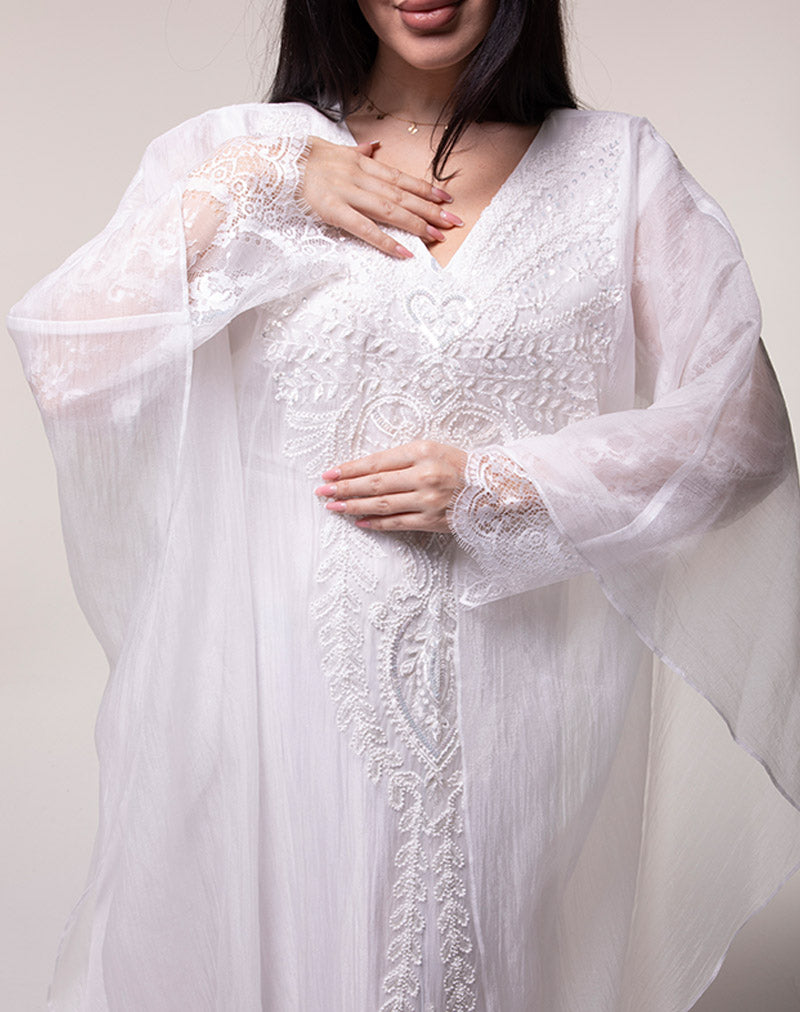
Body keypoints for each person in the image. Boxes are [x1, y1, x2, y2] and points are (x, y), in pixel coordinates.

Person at [7, 0, 800, 1009]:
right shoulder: (237, 155)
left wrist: (496, 484)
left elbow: (741, 433)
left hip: (524, 700)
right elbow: (72, 365)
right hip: (278, 700)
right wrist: (265, 182)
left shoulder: (619, 172)